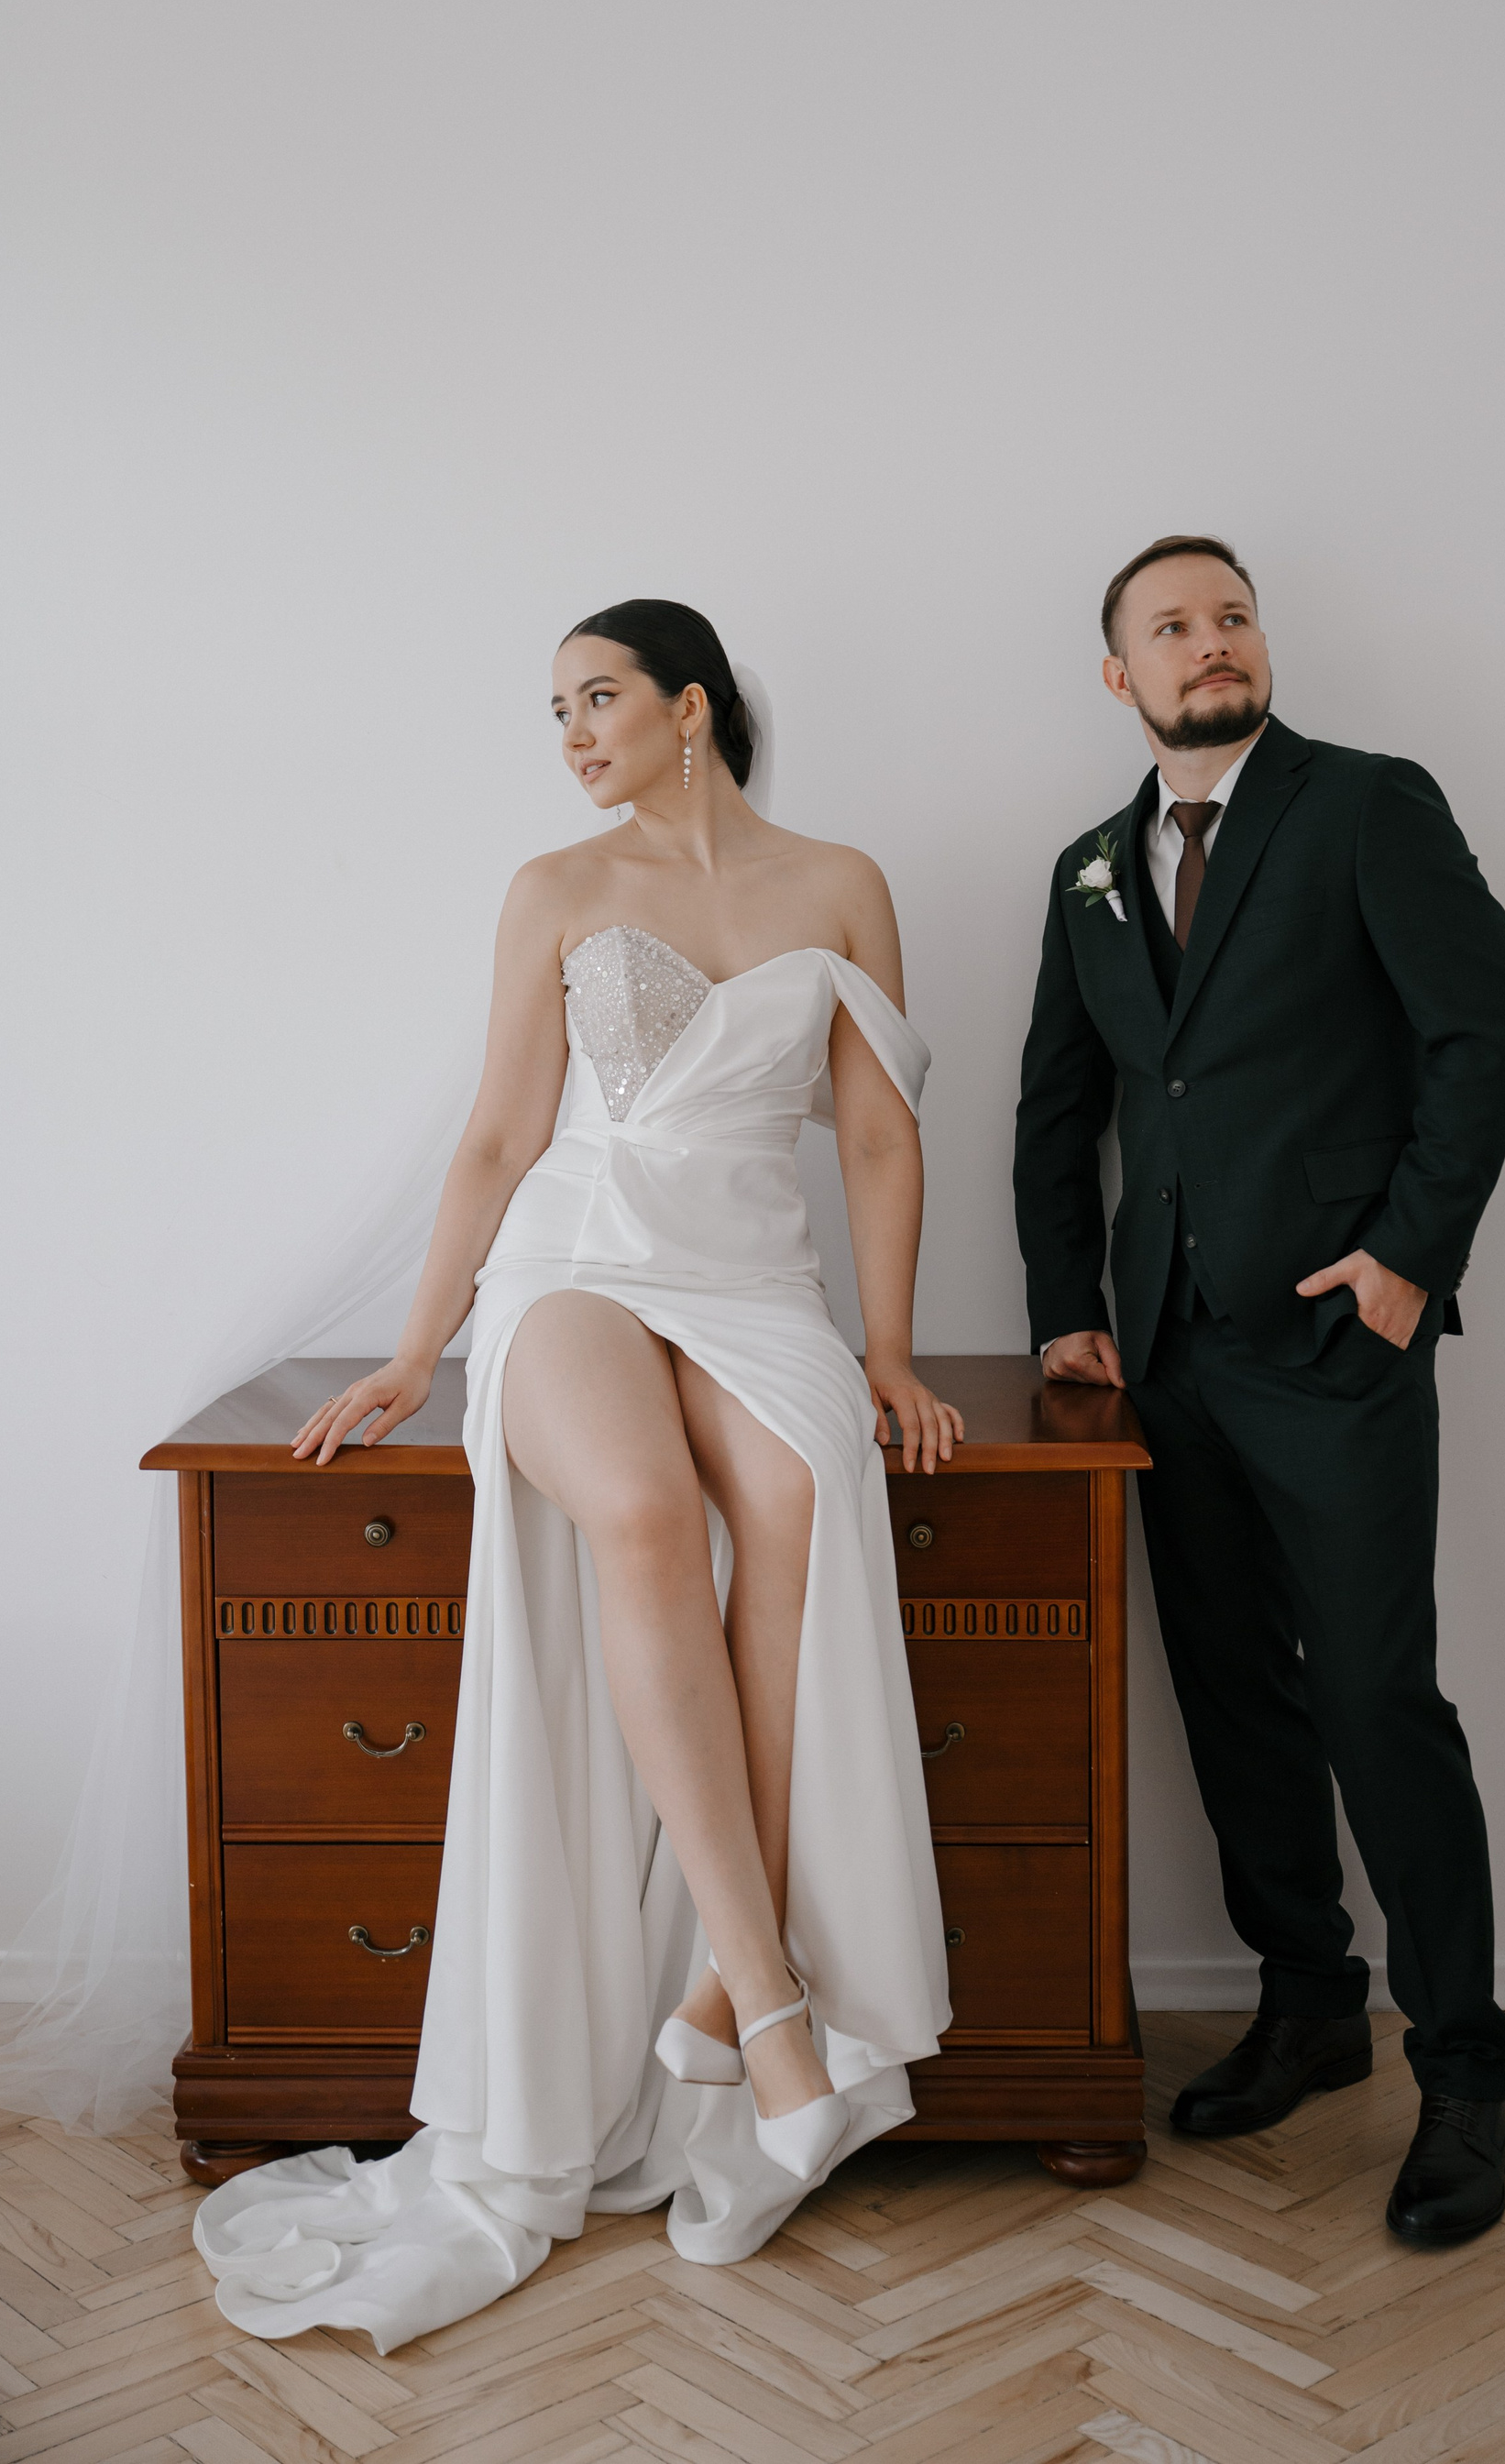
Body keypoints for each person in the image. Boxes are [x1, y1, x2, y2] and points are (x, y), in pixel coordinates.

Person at [195, 600, 960, 2348]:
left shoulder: (843, 883)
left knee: (805, 1498)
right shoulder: (555, 887)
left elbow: (873, 1129)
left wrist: (894, 1350)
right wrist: (416, 1348)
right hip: (577, 1265)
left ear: (693, 706)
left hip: (754, 1283)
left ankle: (710, 2006)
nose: (572, 734)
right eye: (555, 711)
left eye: (596, 697)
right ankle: (772, 2008)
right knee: (640, 1510)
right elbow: (498, 1131)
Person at [1015, 535, 1505, 2244]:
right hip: (1166, 1357)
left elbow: (1491, 1028)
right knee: (1235, 1693)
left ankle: (1463, 2070)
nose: (1212, 641)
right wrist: (1066, 1310)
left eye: (1232, 614)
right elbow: (1060, 1105)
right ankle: (1311, 2002)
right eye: (1172, 625)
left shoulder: (1369, 804)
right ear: (1122, 675)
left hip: (1334, 1342)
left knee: (1380, 1699)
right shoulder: (1091, 867)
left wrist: (1407, 1260)